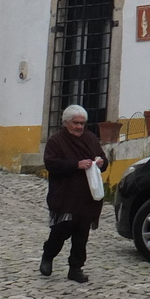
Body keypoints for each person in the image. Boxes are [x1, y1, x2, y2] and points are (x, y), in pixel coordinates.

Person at [42, 105, 105, 282]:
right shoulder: (56, 141)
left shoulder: (91, 139)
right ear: (66, 123)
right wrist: (75, 165)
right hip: (65, 195)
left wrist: (101, 162)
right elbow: (51, 163)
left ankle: (75, 268)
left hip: (86, 196)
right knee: (61, 231)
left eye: (82, 123)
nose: (79, 127)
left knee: (81, 235)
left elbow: (102, 158)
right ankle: (48, 255)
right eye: (75, 123)